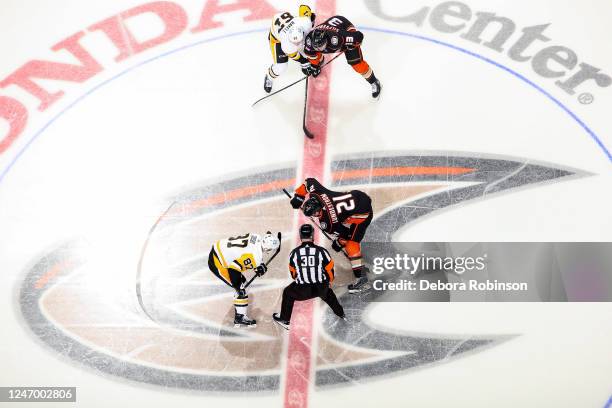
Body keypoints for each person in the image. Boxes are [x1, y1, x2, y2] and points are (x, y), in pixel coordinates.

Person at [289, 178, 373, 293]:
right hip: (358, 196)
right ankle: (359, 268)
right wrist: (299, 196)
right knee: (343, 220)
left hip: (363, 213)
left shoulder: (328, 224)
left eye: (315, 213)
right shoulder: (318, 194)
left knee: (351, 244)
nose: (315, 216)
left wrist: (338, 243)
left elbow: (346, 236)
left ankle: (362, 278)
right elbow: (310, 182)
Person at [272, 224, 344, 330]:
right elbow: (330, 270)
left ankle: (285, 320)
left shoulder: (294, 253)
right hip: (321, 288)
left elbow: (293, 275)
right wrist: (328, 281)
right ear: (312, 235)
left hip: (302, 291)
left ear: (301, 236)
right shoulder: (322, 251)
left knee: (287, 293)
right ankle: (341, 313)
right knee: (330, 296)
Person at [208, 232, 280, 327]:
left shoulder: (256, 236)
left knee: (242, 285)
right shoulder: (255, 257)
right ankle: (240, 318)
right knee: (242, 289)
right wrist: (238, 287)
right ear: (267, 248)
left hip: (219, 248)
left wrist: (258, 266)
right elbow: (233, 268)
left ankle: (239, 302)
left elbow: (247, 253)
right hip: (218, 262)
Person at [303, 15, 382, 98]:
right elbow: (311, 53)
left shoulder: (337, 38)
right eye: (316, 47)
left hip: (344, 27)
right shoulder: (309, 40)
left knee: (356, 63)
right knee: (312, 53)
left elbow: (359, 36)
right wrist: (314, 66)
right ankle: (320, 61)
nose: (319, 49)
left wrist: (352, 44)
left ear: (326, 40)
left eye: (321, 46)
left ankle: (374, 81)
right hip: (332, 25)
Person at [264, 5, 319, 93]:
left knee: (308, 48)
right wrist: (304, 62)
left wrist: (310, 16)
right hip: (277, 39)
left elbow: (303, 7)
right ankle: (269, 77)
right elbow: (294, 55)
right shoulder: (286, 45)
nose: (298, 44)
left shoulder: (305, 22)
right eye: (295, 43)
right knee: (281, 66)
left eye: (299, 41)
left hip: (290, 23)